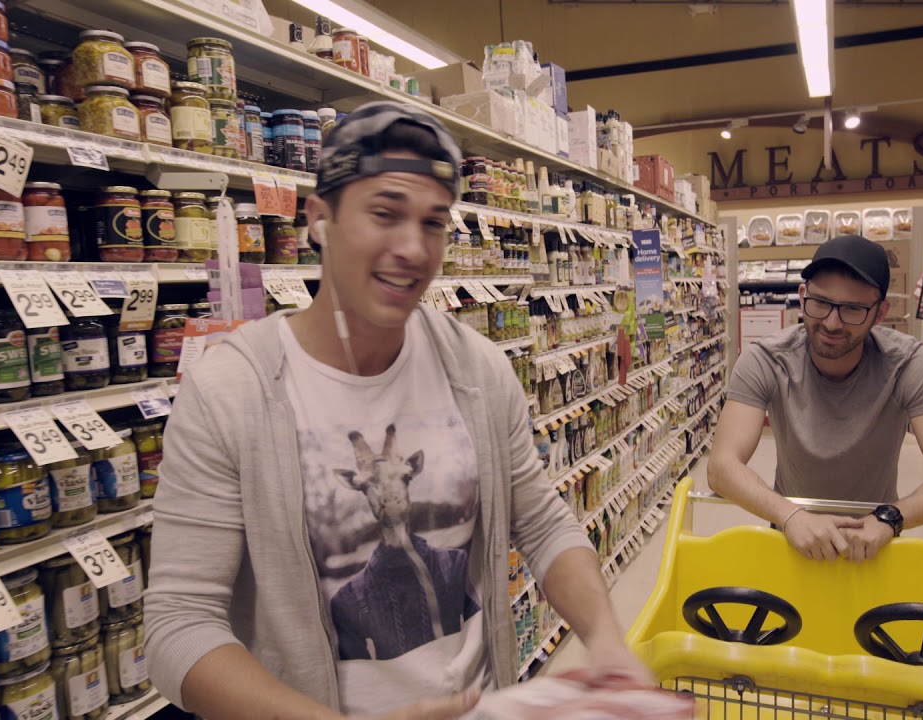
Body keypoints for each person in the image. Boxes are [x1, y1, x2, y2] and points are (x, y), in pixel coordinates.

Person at [143, 102, 648, 720]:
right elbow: (178, 625)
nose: (412, 248)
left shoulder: (477, 370)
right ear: (320, 220)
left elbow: (543, 524)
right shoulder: (231, 392)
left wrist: (606, 638)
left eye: (433, 223)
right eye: (385, 214)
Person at [707, 234, 923, 563]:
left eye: (853, 309)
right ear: (802, 296)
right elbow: (721, 468)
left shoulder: (909, 365)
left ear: (880, 313)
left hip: (876, 541)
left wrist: (889, 518)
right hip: (790, 534)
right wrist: (790, 515)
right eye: (820, 302)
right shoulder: (765, 360)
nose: (831, 322)